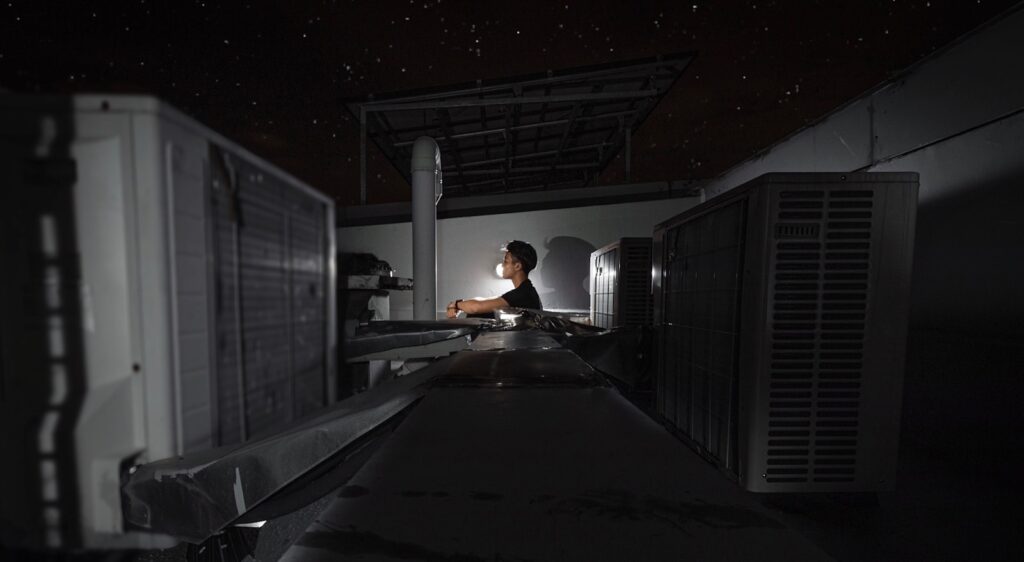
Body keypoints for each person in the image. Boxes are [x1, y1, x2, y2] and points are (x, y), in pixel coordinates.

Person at [447, 240, 542, 318]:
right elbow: (483, 301)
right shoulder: (525, 290)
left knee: (478, 314)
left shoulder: (523, 294)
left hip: (520, 340)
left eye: (506, 261)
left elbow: (475, 307)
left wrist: (456, 305)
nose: (503, 265)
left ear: (517, 266)